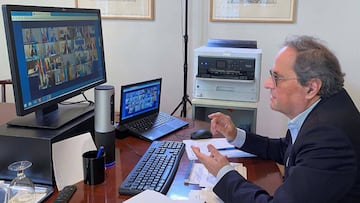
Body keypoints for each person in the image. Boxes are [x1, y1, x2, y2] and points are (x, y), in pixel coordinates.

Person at [191, 35, 360, 203]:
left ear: (311, 88)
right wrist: (236, 135)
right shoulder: (323, 111)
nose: (267, 84)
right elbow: (286, 149)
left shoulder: (328, 137)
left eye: (277, 77)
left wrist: (223, 173)